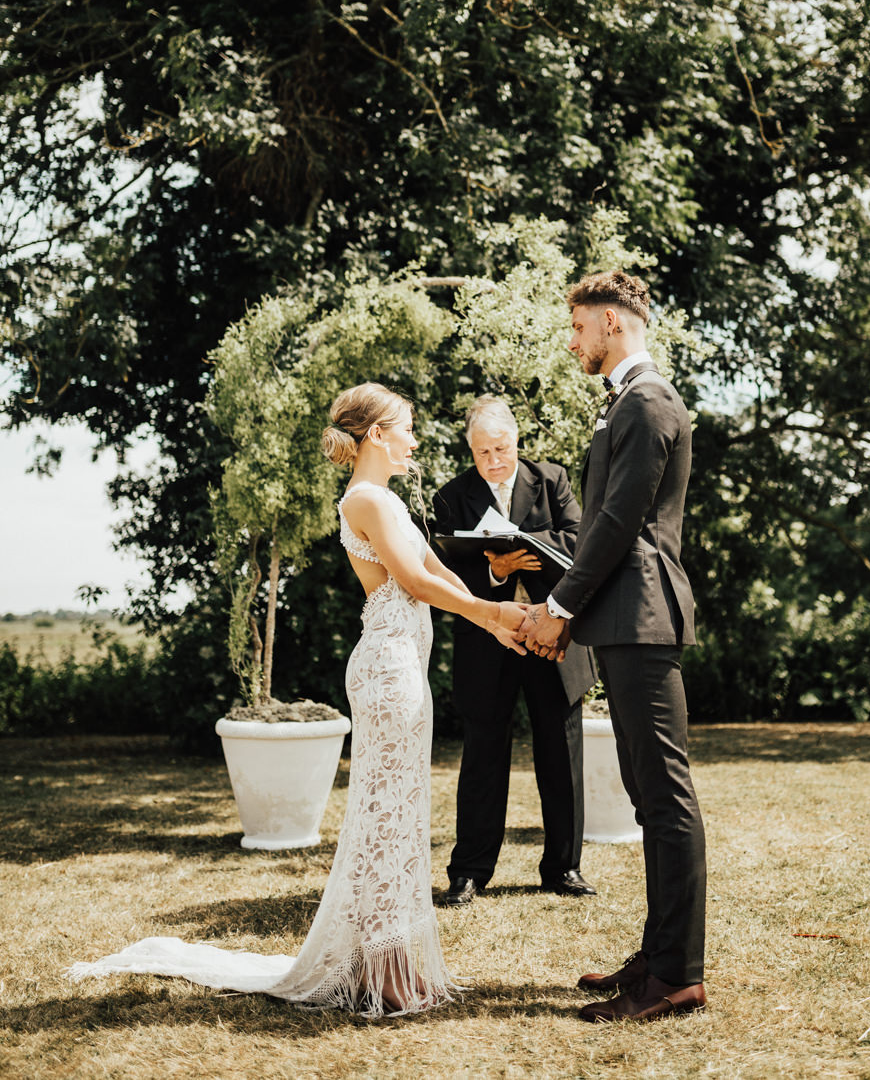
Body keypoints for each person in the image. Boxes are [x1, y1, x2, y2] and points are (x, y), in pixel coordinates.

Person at [68, 382, 527, 1018]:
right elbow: (414, 581)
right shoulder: (364, 500)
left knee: (401, 815)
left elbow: (439, 573)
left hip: (406, 667)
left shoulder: (388, 499)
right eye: (407, 428)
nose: (416, 441)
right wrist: (492, 613)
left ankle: (388, 962)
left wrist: (493, 621)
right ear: (376, 435)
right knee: (385, 818)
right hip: (387, 672)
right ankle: (380, 970)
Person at [518, 271, 708, 1024]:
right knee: (646, 795)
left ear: (611, 322)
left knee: (664, 797)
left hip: (642, 616)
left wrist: (559, 608)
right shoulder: (625, 402)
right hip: (622, 619)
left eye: (577, 327)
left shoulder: (648, 401)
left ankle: (677, 977)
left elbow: (620, 522)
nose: (572, 342)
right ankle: (657, 958)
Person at [432, 395, 598, 904]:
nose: (494, 461)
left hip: (554, 636)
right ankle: (469, 872)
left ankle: (564, 867)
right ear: (471, 451)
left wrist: (524, 543)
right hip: (488, 643)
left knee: (561, 753)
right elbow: (443, 573)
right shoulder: (451, 496)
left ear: (516, 440)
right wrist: (494, 570)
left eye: (501, 449)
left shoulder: (552, 479)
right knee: (483, 757)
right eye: (482, 452)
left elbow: (582, 543)